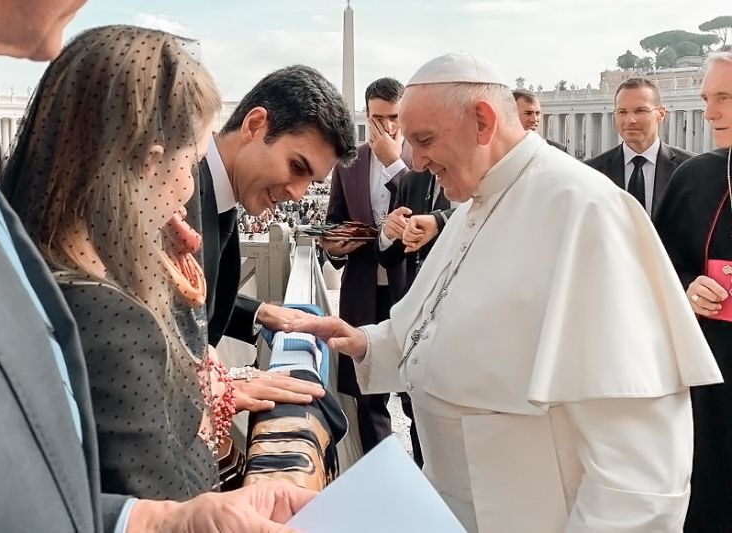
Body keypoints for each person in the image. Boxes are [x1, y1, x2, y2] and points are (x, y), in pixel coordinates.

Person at [288, 52, 722, 532]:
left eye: (425, 139)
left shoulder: (585, 210)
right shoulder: (477, 200)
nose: (414, 159)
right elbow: (433, 323)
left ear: (482, 121)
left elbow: (641, 462)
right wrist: (366, 341)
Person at [0, 1, 313, 531]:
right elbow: (166, 479)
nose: (188, 186)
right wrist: (205, 413)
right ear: (149, 161)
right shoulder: (111, 314)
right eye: (189, 163)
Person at [185, 64, 357, 348]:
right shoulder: (179, 190)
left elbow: (197, 298)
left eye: (311, 181)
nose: (298, 194)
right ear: (254, 125)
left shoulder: (216, 189)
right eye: (297, 166)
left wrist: (257, 313)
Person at [319, 77, 421, 461]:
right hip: (362, 289)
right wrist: (336, 247)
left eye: (394, 117)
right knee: (368, 396)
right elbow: (335, 220)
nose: (388, 127)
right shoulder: (350, 162)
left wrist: (395, 161)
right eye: (379, 118)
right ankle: (384, 473)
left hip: (409, 289)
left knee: (415, 394)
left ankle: (427, 478)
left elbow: (429, 213)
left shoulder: (418, 158)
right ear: (367, 114)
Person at [653, 51, 732, 533]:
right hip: (714, 385)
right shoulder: (697, 177)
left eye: (725, 98)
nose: (709, 113)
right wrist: (685, 288)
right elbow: (657, 268)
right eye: (707, 99)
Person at [585, 78, 693, 218]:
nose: (630, 120)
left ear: (661, 114)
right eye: (622, 112)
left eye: (640, 111)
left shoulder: (689, 168)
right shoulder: (592, 171)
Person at [378, 169, 453, 297]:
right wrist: (387, 235)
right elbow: (390, 259)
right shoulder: (411, 180)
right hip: (418, 303)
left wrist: (439, 221)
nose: (417, 162)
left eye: (426, 147)